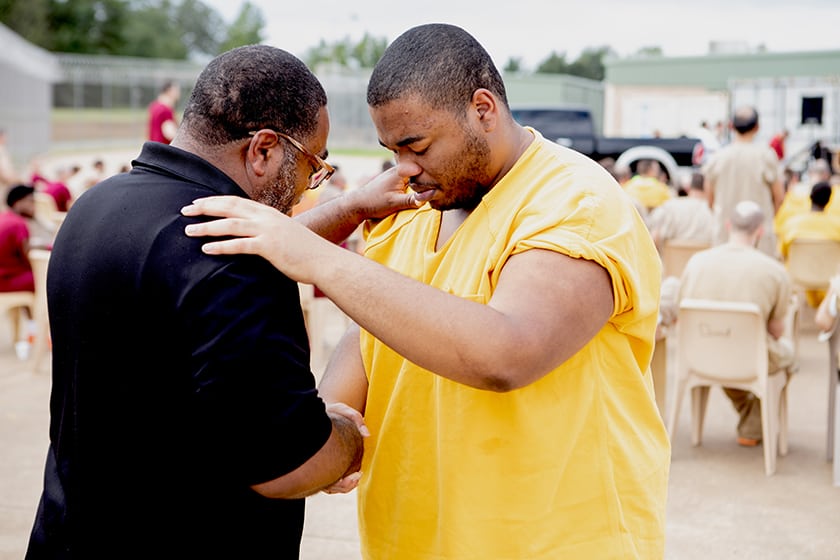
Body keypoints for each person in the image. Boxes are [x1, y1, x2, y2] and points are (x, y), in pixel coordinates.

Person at [183, 23, 669, 559]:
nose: (405, 169)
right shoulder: (415, 205)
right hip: (409, 541)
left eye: (416, 146)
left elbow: (506, 352)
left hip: (549, 542)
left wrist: (320, 260)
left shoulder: (574, 200)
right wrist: (325, 434)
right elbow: (376, 330)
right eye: (392, 150)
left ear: (483, 109)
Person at [25, 44, 424, 559]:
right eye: (312, 166)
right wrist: (345, 435)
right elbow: (286, 466)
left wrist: (349, 207)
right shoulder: (234, 265)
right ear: (262, 150)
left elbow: (198, 258)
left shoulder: (99, 205)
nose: (309, 184)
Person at [679, 200, 796, 447]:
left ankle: (751, 418)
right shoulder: (774, 271)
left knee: (726, 349)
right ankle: (755, 420)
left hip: (700, 356)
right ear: (760, 231)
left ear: (728, 224)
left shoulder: (696, 263)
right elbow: (776, 331)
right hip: (749, 359)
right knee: (786, 355)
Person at [703, 106, 784, 258]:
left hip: (725, 236)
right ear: (757, 127)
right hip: (759, 237)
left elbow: (710, 200)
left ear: (731, 126)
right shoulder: (766, 156)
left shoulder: (717, 158)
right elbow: (779, 198)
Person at [647, 171, 714, 252]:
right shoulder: (714, 212)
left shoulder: (669, 207)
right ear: (708, 188)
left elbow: (653, 240)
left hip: (671, 263)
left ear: (688, 187)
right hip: (703, 263)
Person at [0, 184, 35, 292]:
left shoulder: (3, 217)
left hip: (4, 278)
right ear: (18, 203)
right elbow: (28, 258)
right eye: (30, 201)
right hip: (6, 282)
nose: (34, 206)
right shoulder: (19, 224)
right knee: (47, 276)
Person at [147, 80, 181, 144]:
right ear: (169, 91)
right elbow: (169, 133)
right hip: (163, 148)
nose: (178, 93)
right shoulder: (166, 110)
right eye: (176, 90)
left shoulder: (154, 106)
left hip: (153, 147)